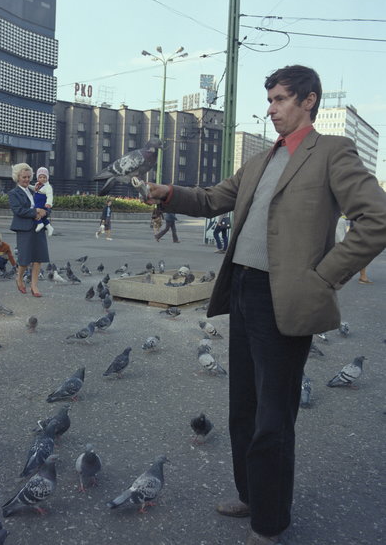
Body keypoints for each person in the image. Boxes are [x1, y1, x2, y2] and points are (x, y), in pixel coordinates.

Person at [146, 65, 386, 545]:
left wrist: (323, 277)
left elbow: (377, 218)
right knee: (243, 409)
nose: (271, 109)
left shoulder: (332, 152)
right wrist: (168, 193)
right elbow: (214, 198)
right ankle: (252, 495)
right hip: (244, 291)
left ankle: (270, 523)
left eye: (280, 100)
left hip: (288, 297)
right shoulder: (259, 159)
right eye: (269, 100)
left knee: (274, 416)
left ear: (309, 101)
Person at [8, 163, 49, 297]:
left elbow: (46, 203)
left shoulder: (36, 190)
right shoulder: (14, 193)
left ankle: (34, 285)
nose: (26, 179)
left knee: (38, 257)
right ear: (17, 177)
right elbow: (18, 210)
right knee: (25, 259)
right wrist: (35, 211)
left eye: (28, 177)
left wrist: (45, 212)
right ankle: (19, 277)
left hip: (39, 227)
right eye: (23, 177)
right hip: (24, 228)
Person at [31, 167, 54, 236]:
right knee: (43, 217)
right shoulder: (38, 185)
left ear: (47, 178)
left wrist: (49, 203)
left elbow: (50, 195)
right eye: (40, 177)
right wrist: (28, 186)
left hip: (42, 202)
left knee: (36, 213)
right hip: (37, 201)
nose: (42, 179)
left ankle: (40, 223)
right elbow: (34, 189)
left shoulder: (48, 186)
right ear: (38, 178)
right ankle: (49, 227)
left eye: (44, 177)